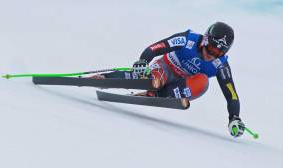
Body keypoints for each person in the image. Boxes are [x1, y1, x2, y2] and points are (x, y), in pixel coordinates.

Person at [93, 22, 245, 138]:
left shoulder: (221, 65)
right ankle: (105, 78)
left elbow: (231, 94)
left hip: (181, 84)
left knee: (203, 82)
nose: (212, 54)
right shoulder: (188, 39)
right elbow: (156, 47)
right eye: (212, 48)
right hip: (165, 69)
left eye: (219, 52)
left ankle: (157, 95)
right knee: (151, 79)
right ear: (205, 40)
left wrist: (234, 117)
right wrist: (143, 61)